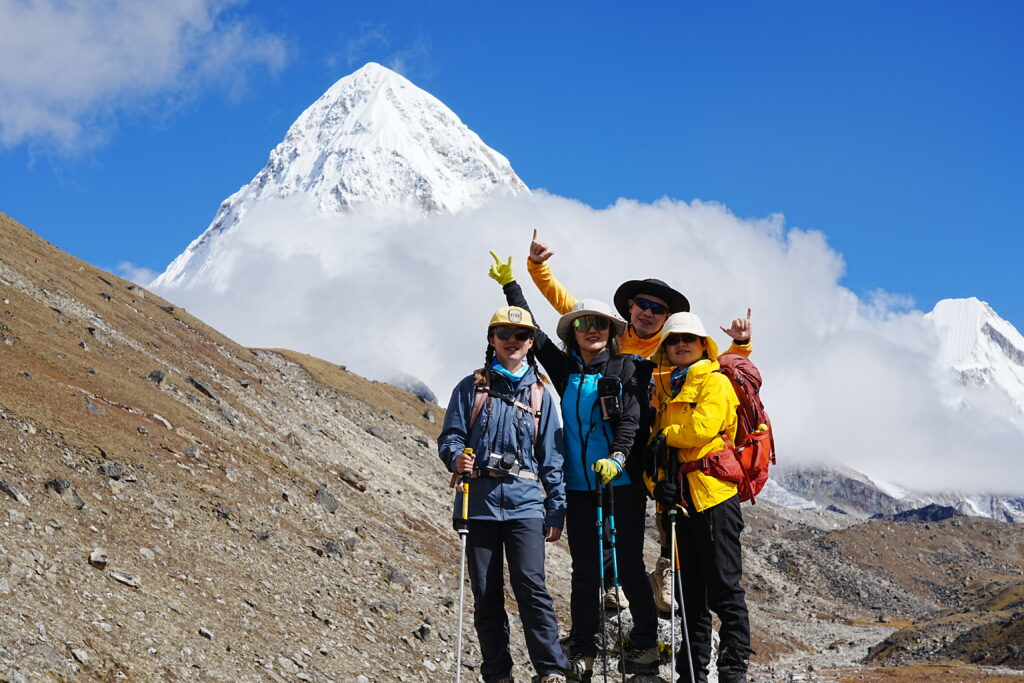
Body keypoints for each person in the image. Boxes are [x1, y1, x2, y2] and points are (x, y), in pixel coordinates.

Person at [525, 229, 753, 614]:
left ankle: (665, 567)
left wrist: (741, 346)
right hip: (612, 438)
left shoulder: (668, 347)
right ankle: (610, 583)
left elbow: (707, 366)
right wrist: (538, 267)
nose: (648, 312)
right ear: (629, 307)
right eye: (642, 304)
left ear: (667, 318)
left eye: (658, 309)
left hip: (656, 438)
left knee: (665, 505)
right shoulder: (610, 336)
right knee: (608, 513)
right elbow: (564, 303)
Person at [488, 255, 661, 680]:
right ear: (576, 333)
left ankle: (644, 643)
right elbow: (536, 335)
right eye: (584, 325)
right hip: (580, 486)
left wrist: (617, 457)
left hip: (621, 482)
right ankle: (583, 647)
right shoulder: (566, 372)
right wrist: (511, 286)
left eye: (600, 325)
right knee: (584, 568)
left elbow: (632, 421)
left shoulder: (628, 368)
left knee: (629, 563)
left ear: (612, 332)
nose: (593, 331)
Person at [438, 305, 570, 683]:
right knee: (485, 594)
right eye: (503, 334)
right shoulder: (471, 387)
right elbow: (451, 436)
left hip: (526, 505)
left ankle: (551, 670)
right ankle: (497, 674)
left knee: (531, 586)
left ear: (531, 342)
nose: (511, 341)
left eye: (520, 335)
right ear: (491, 339)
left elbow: (553, 458)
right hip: (477, 503)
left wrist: (556, 511)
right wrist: (454, 458)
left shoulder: (543, 395)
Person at [647, 312, 752, 683]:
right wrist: (656, 484)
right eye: (675, 340)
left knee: (724, 590)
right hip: (680, 504)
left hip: (714, 499)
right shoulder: (665, 389)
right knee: (690, 596)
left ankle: (732, 672)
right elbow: (656, 449)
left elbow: (700, 429)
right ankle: (691, 673)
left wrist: (665, 435)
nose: (680, 345)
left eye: (689, 340)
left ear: (702, 345)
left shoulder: (715, 383)